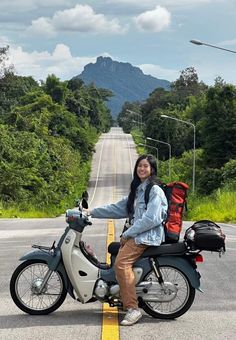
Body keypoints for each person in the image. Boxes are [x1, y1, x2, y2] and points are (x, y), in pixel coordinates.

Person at [85, 154, 168, 326]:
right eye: (139, 166)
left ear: (152, 169)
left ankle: (133, 309)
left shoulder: (154, 190)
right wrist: (91, 212)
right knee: (115, 256)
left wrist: (129, 233)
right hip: (139, 234)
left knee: (121, 264)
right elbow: (116, 209)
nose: (142, 169)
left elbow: (151, 219)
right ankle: (122, 296)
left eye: (145, 166)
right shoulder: (138, 190)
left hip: (147, 236)